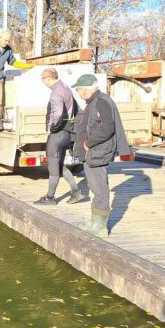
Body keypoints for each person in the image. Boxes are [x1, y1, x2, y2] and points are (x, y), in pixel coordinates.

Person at [71, 74, 132, 237]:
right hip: (95, 151)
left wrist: (88, 143)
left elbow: (107, 127)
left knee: (99, 187)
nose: (78, 93)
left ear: (85, 89)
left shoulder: (101, 102)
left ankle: (100, 226)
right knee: (95, 186)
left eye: (79, 90)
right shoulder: (95, 101)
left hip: (97, 150)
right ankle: (94, 221)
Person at [34, 68, 83, 205]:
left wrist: (53, 127)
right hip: (67, 133)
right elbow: (76, 109)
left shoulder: (56, 93)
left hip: (58, 135)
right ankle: (76, 192)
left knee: (53, 167)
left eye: (43, 80)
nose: (43, 82)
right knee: (60, 165)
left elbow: (58, 114)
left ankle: (50, 198)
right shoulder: (66, 88)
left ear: (48, 78)